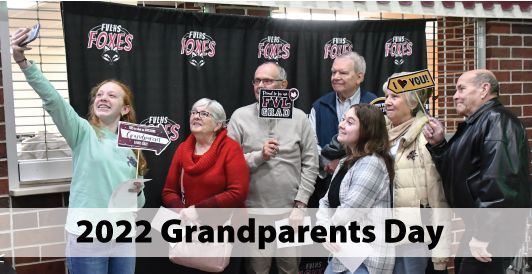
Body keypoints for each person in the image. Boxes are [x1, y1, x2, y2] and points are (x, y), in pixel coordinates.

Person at [11, 28, 146, 274]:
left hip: (123, 236)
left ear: (125, 109)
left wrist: (137, 190)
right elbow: (53, 100)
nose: (103, 98)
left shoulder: (131, 144)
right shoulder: (83, 132)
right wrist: (22, 61)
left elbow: (138, 203)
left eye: (112, 96)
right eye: (100, 95)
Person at [423, 69, 531, 274]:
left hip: (494, 229)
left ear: (484, 89)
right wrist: (438, 145)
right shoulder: (480, 122)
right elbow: (458, 171)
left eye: (461, 88)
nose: (455, 95)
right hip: (481, 225)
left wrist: (484, 234)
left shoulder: (497, 121)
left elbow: (500, 181)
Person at [227, 62, 318, 274]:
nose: (260, 85)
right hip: (254, 212)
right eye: (257, 81)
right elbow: (230, 165)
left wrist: (300, 206)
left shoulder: (300, 118)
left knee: (290, 269)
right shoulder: (240, 116)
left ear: (283, 85)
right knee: (257, 270)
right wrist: (260, 156)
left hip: (292, 213)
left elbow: (311, 163)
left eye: (267, 80)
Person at [162, 98, 249, 274]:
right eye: (194, 112)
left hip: (225, 233)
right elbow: (169, 191)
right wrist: (183, 213)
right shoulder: (182, 149)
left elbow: (238, 193)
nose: (197, 116)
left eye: (204, 113)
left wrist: (199, 211)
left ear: (218, 125)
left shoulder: (230, 149)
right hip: (189, 231)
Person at [382, 74, 450, 274]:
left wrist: (440, 255)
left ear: (413, 104)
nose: (387, 101)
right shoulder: (378, 134)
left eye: (394, 96)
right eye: (386, 96)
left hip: (412, 236)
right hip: (379, 233)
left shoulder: (426, 137)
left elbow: (438, 197)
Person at [316, 104, 395, 274]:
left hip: (366, 260)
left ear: (366, 131)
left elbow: (351, 210)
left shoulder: (372, 163)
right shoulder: (345, 161)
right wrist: (323, 228)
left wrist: (326, 230)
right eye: (343, 119)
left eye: (350, 122)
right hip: (343, 256)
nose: (341, 125)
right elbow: (325, 201)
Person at [308, 51, 377, 207]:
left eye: (343, 72)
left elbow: (378, 142)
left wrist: (345, 163)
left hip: (364, 182)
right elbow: (311, 144)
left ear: (360, 77)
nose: (335, 77)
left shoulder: (375, 104)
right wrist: (327, 162)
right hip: (326, 186)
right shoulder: (319, 106)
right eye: (333, 72)